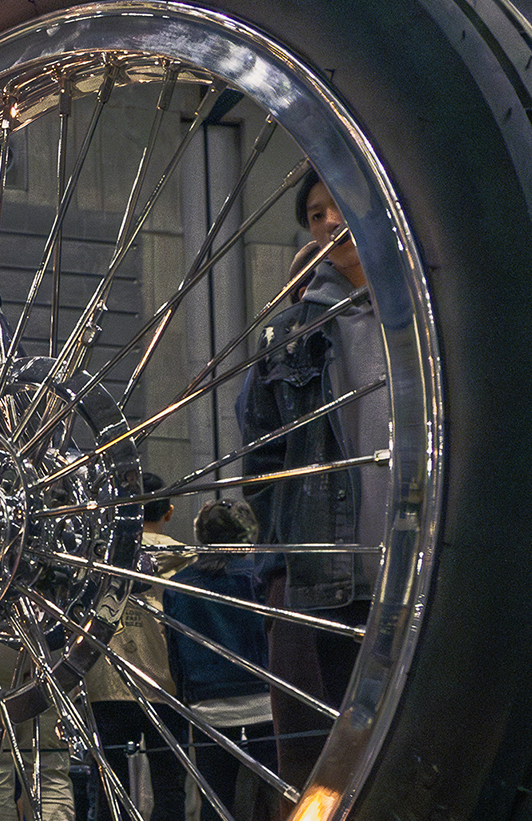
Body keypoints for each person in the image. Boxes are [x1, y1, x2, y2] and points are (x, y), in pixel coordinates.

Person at [237, 168, 387, 790]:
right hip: (333, 577)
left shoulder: (434, 319)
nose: (329, 221)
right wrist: (288, 553)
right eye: (315, 213)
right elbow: (262, 457)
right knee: (335, 762)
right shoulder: (287, 332)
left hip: (433, 560)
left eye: (340, 205)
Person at [85, 473, 190, 821]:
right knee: (170, 785)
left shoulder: (98, 556)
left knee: (109, 788)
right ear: (169, 512)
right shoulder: (186, 560)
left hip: (105, 679)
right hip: (166, 683)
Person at [164, 499, 276, 820]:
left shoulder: (177, 586)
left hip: (207, 709)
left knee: (216, 805)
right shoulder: (259, 578)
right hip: (263, 702)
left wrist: (187, 697)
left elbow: (176, 654)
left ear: (201, 535)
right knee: (273, 803)